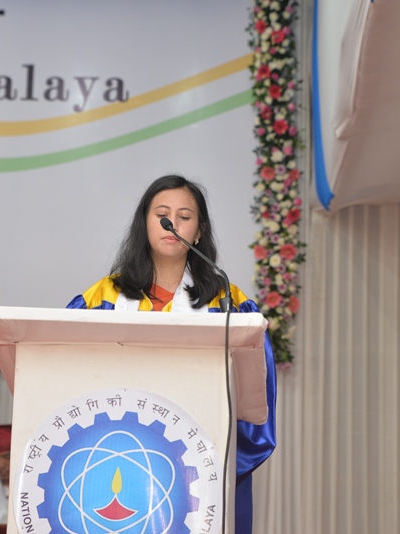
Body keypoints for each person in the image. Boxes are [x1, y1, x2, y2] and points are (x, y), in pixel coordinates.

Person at [66, 174, 277, 533]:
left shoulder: (230, 304)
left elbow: (256, 401)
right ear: (145, 224)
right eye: (162, 215)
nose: (172, 224)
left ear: (199, 231)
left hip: (195, 474)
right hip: (113, 460)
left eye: (185, 216)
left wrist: (215, 462)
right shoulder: (101, 299)